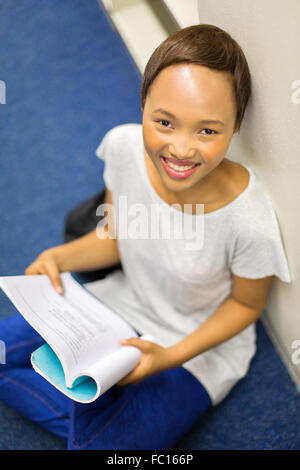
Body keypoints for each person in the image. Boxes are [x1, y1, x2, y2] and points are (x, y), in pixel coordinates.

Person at [0, 24, 291, 450]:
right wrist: (60, 257)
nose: (181, 149)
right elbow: (117, 233)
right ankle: (92, 410)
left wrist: (169, 357)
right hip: (120, 304)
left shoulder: (249, 218)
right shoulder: (122, 147)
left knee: (103, 446)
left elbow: (246, 306)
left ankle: (91, 412)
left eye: (207, 131)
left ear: (236, 126)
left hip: (194, 346)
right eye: (164, 122)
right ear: (144, 107)